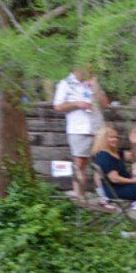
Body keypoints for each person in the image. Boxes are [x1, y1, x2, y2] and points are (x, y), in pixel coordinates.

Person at [53, 65, 109, 195]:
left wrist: (96, 87)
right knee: (80, 163)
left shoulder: (92, 82)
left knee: (101, 163)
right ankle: (80, 196)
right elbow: (58, 106)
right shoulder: (65, 83)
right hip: (78, 128)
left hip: (97, 128)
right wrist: (77, 104)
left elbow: (105, 104)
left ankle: (103, 197)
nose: (90, 68)